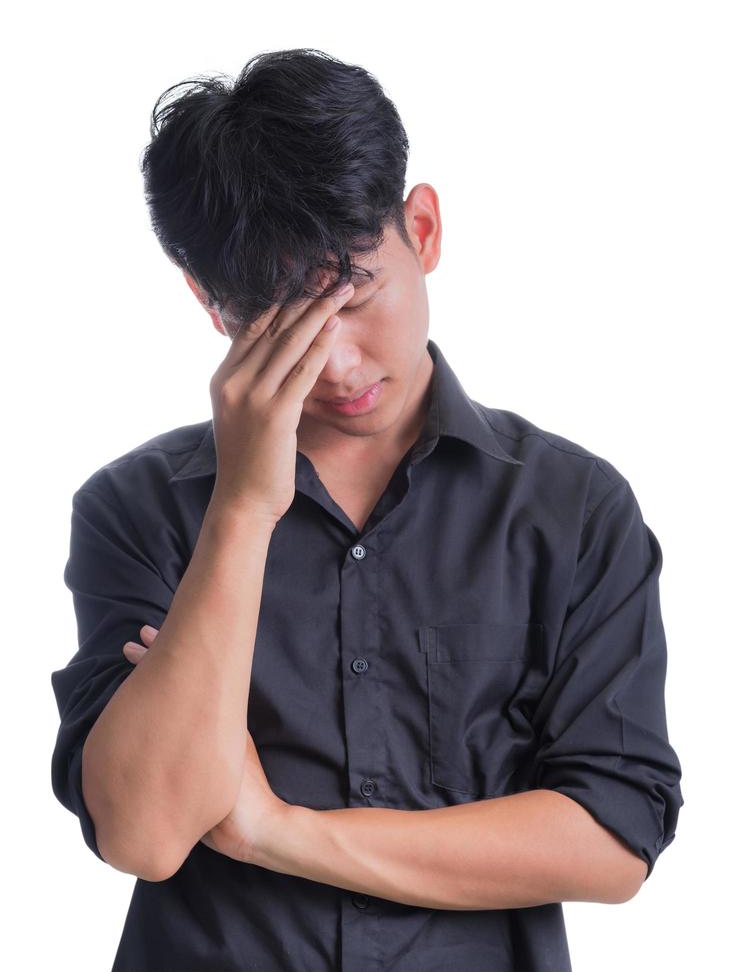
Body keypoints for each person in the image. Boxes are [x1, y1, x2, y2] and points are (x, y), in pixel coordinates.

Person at [50, 47, 684, 972]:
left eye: (351, 294)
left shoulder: (570, 508)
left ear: (420, 229)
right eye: (276, 325)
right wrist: (240, 512)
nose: (338, 366)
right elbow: (144, 834)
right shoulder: (137, 509)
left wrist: (277, 832)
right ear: (209, 306)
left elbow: (613, 839)